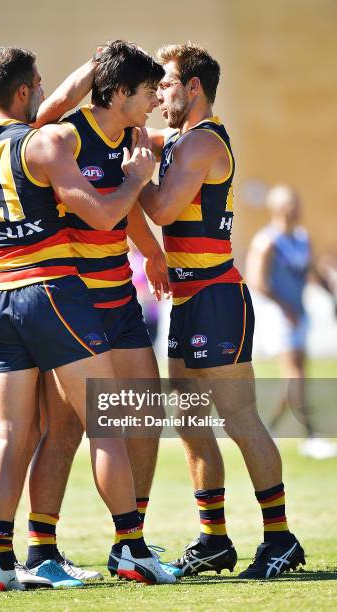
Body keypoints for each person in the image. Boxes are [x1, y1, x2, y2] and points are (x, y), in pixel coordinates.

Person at [0, 41, 177, 583]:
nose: (153, 102)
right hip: (56, 293)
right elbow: (103, 214)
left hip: (9, 294)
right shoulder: (50, 140)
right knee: (89, 426)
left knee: (15, 432)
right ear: (27, 90)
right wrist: (136, 180)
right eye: (148, 92)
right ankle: (107, 546)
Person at [139, 42, 305, 579]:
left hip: (215, 296)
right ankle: (214, 538)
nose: (158, 95)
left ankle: (280, 537)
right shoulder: (180, 141)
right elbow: (132, 138)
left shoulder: (203, 144)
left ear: (193, 88)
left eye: (164, 85)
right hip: (186, 300)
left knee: (239, 418)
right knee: (188, 420)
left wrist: (136, 173)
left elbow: (162, 205)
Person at [246, 185, 337, 459]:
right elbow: (257, 280)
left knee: (294, 374)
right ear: (278, 207)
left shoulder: (301, 238)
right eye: (292, 203)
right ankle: (310, 435)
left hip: (300, 313)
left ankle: (268, 430)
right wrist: (284, 307)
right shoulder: (267, 241)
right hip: (279, 316)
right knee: (296, 371)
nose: (298, 208)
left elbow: (310, 271)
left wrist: (329, 292)